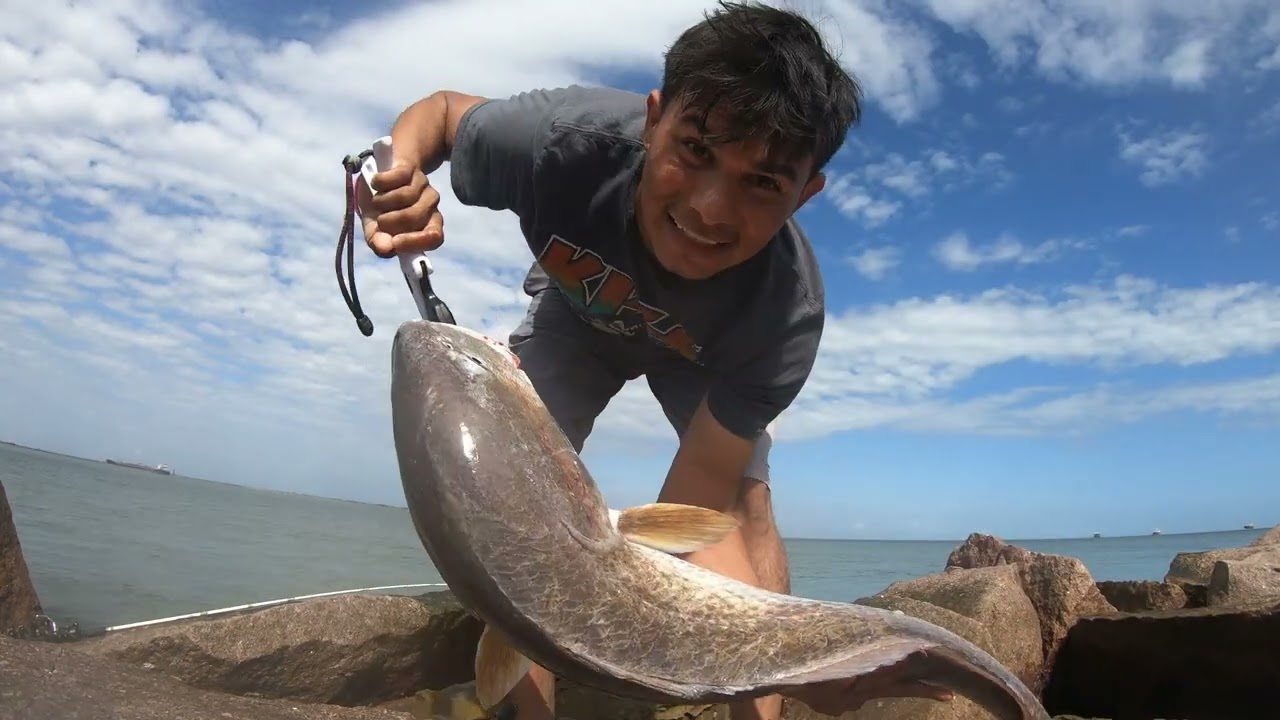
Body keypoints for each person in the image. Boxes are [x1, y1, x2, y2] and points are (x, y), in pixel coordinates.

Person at [358, 2, 954, 718]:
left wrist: (767, 655)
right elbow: (441, 114)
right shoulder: (558, 143)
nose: (709, 209)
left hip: (699, 357)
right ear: (652, 120)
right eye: (695, 149)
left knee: (743, 503)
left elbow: (690, 513)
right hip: (577, 313)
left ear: (806, 193)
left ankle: (772, 686)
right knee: (516, 514)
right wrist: (396, 175)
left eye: (763, 182)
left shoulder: (784, 316)